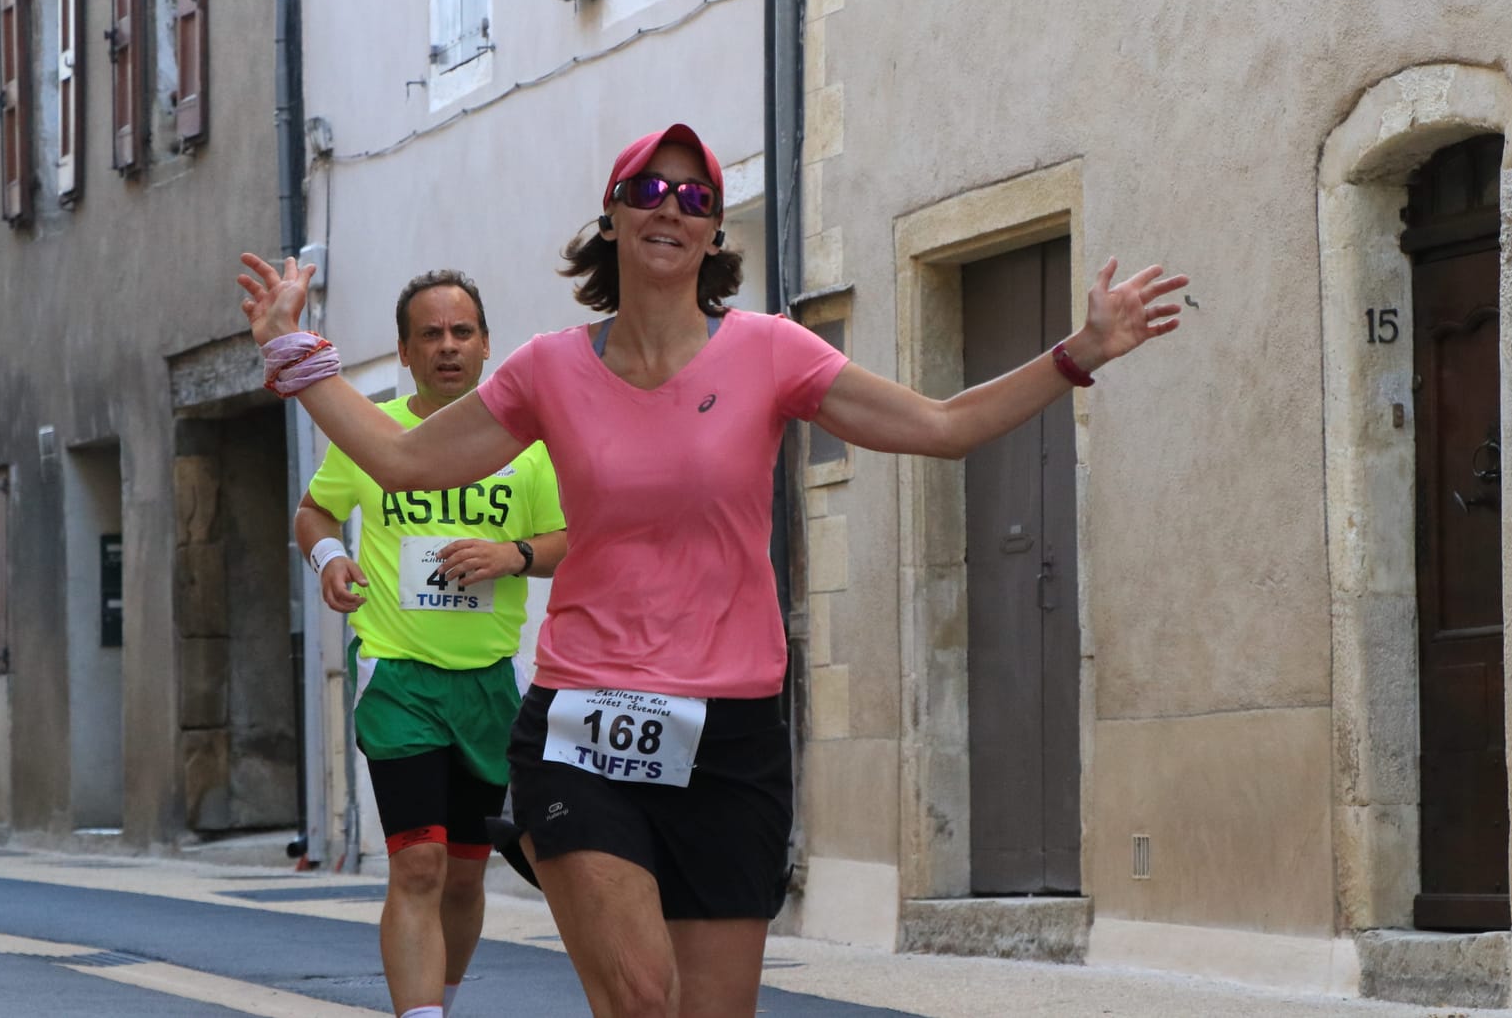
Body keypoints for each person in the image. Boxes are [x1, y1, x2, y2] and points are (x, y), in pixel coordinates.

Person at [241, 124, 1187, 1018]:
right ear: (611, 216)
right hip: (584, 719)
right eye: (649, 188)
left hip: (729, 733)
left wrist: (1078, 353)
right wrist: (297, 352)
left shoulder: (770, 352)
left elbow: (938, 428)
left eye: (695, 194)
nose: (672, 206)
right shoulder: (548, 370)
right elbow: (404, 461)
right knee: (643, 995)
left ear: (712, 230)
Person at [292, 269, 567, 1018]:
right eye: (430, 335)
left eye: (462, 332)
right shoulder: (373, 433)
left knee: (468, 872)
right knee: (418, 860)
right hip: (398, 673)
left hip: (489, 681)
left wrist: (512, 553)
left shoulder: (529, 448)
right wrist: (329, 559)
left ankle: (439, 999)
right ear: (407, 352)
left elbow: (569, 540)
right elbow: (313, 513)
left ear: (485, 345)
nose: (448, 347)